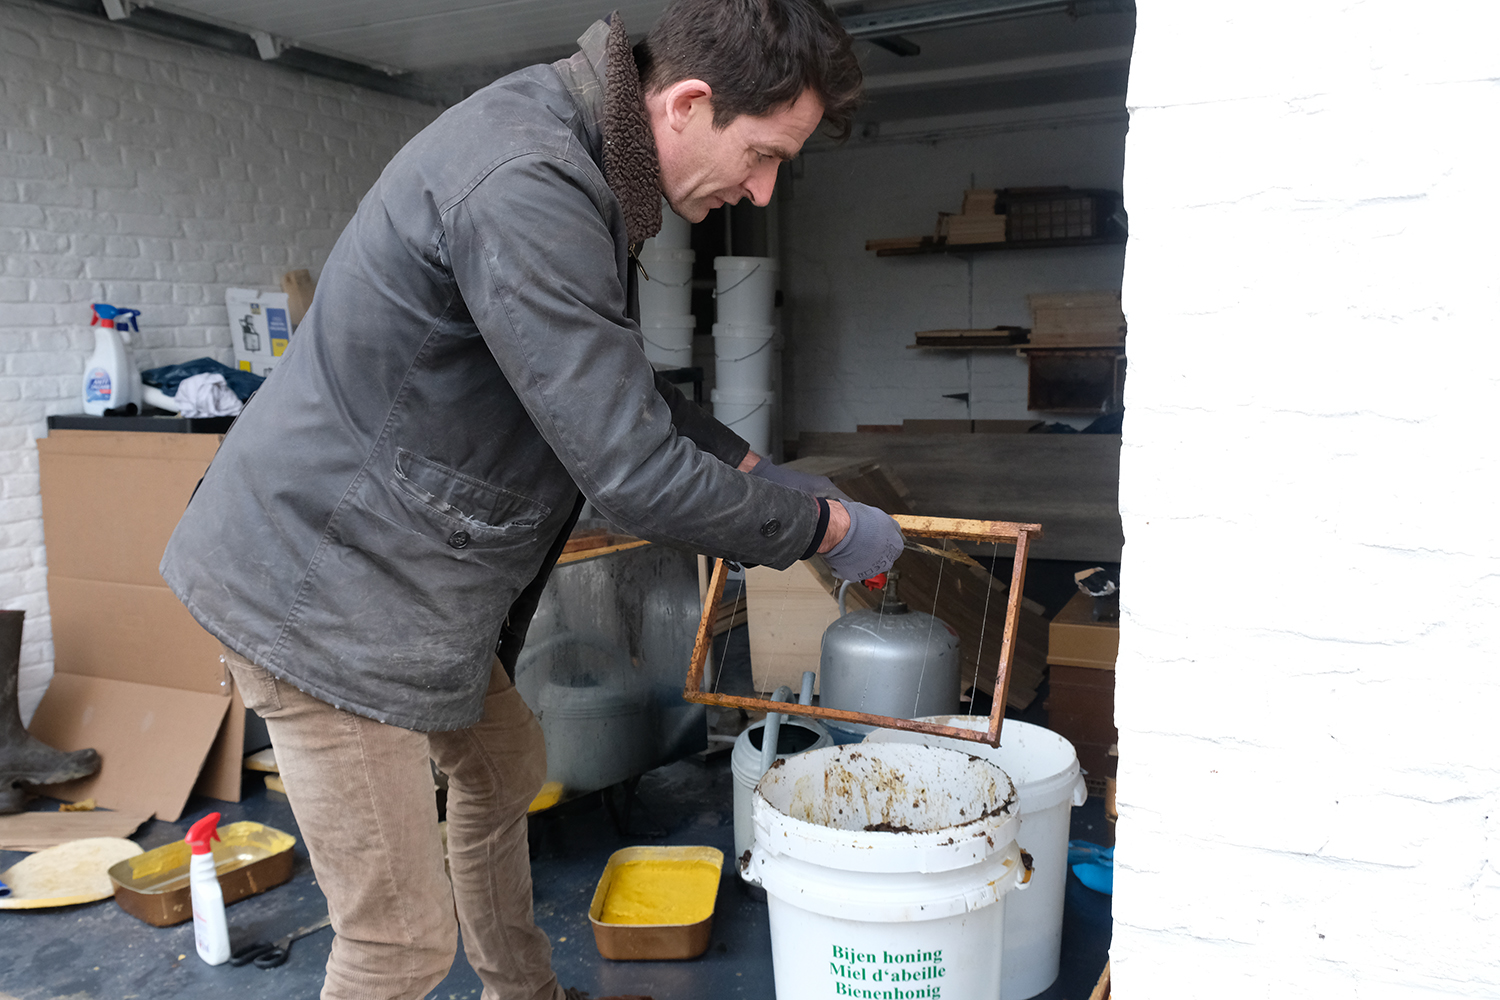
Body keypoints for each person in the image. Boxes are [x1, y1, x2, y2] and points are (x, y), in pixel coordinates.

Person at [161, 1, 901, 997]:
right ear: (686, 103)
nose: (761, 190)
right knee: (395, 946)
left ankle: (525, 988)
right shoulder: (530, 179)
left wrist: (752, 469)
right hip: (325, 596)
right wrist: (826, 525)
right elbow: (631, 472)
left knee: (504, 767)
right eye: (764, 154)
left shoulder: (585, 163)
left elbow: (612, 379)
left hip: (401, 577)